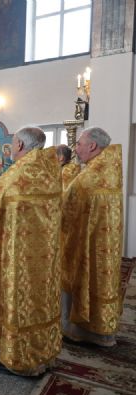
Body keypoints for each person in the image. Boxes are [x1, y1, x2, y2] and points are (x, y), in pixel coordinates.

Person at [0, 126, 62, 376]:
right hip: (45, 259)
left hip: (16, 259)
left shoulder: (15, 175)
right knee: (40, 303)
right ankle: (41, 354)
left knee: (17, 302)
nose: (11, 148)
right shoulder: (50, 172)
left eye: (12, 144)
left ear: (20, 145)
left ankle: (19, 358)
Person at [60, 127, 123, 347]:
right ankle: (101, 332)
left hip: (86, 242)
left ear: (92, 146)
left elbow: (65, 210)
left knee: (82, 277)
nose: (76, 148)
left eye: (79, 144)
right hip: (106, 244)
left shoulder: (89, 177)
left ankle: (79, 331)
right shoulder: (110, 170)